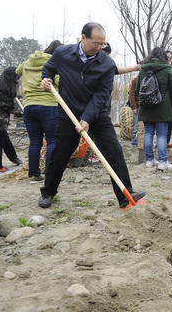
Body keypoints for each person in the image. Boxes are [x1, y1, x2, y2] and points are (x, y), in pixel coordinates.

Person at [38, 22, 146, 208]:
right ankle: (48, 192)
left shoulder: (106, 64)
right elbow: (49, 68)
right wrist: (45, 79)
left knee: (113, 151)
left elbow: (102, 95)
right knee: (60, 154)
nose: (99, 48)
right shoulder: (63, 53)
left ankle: (125, 195)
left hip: (97, 115)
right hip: (68, 112)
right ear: (83, 38)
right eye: (95, 43)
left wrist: (87, 118)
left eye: (102, 44)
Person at [15, 40, 62, 180]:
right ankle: (49, 175)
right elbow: (59, 82)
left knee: (35, 142)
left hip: (29, 105)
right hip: (49, 105)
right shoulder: (55, 63)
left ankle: (34, 174)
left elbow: (17, 71)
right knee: (52, 141)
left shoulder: (29, 61)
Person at [137, 47, 172, 170]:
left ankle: (149, 160)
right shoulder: (167, 69)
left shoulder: (143, 69)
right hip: (163, 108)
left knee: (148, 133)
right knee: (161, 135)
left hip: (146, 107)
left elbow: (137, 89)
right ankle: (163, 161)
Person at [0, 67, 24, 174]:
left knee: (4, 138)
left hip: (1, 121)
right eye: (16, 77)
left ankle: (13, 157)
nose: (17, 80)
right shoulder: (2, 88)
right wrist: (19, 113)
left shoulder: (3, 86)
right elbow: (5, 105)